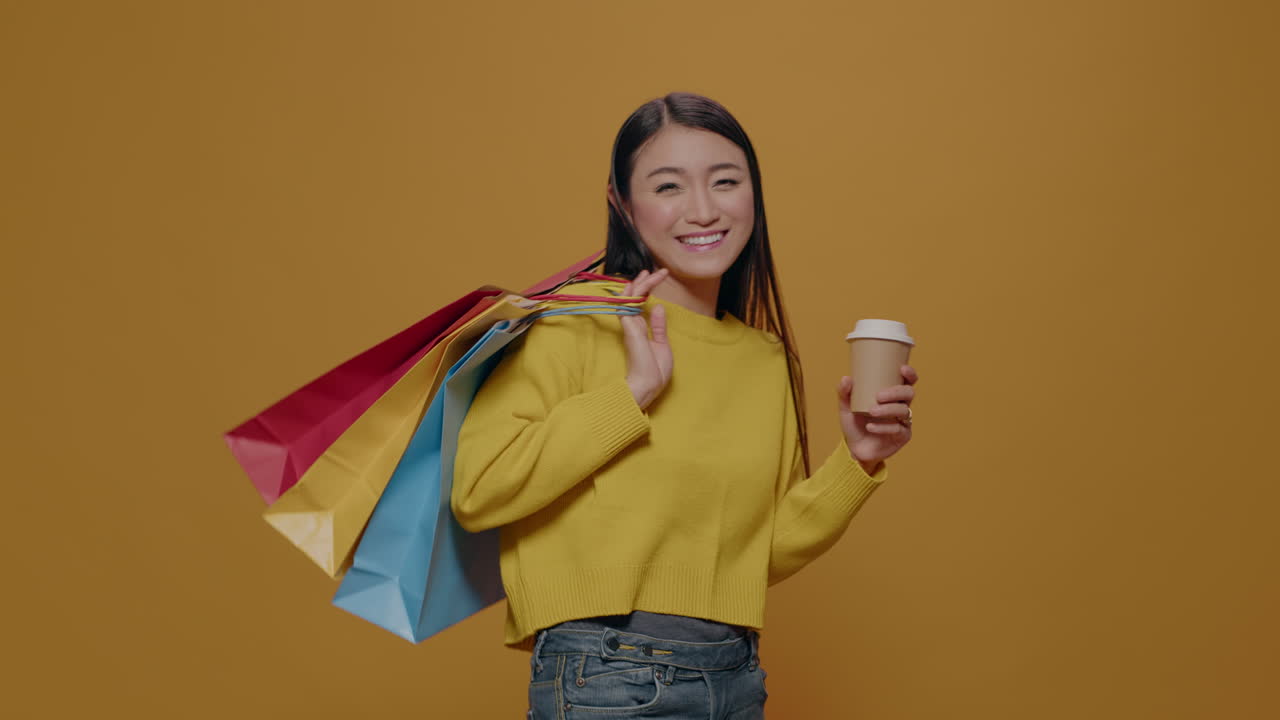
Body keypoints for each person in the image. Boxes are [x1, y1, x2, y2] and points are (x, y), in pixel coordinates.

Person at [452, 92, 918, 719]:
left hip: (736, 677)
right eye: (668, 186)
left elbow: (753, 556)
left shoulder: (763, 358)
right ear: (622, 202)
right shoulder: (571, 325)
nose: (703, 209)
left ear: (754, 193)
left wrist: (857, 462)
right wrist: (632, 395)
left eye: (725, 181)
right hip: (608, 675)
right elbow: (479, 491)